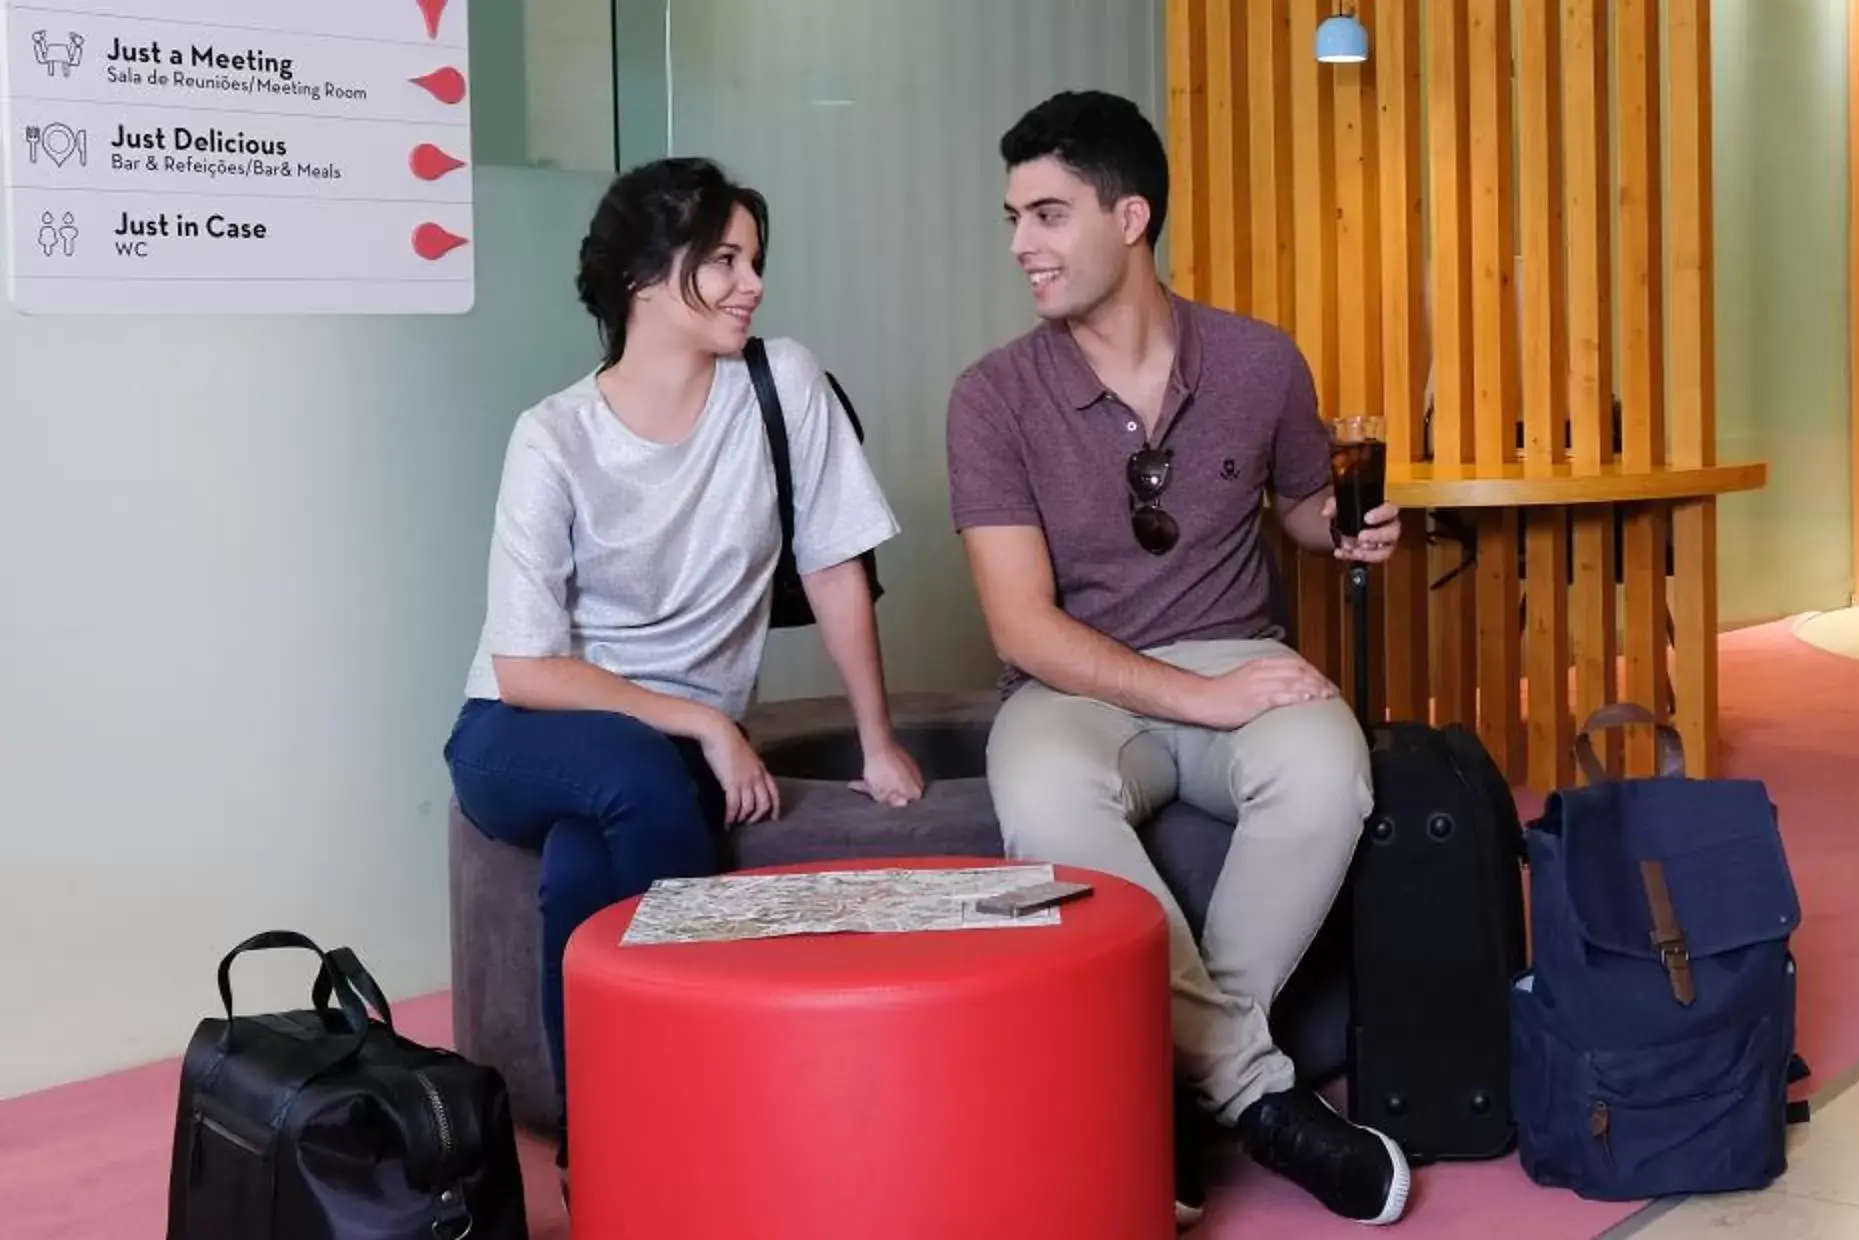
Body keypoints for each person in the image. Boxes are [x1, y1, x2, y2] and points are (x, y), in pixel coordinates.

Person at [947, 91, 1412, 1228]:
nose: (1022, 246)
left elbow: (1300, 500)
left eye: (1049, 215)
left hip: (1235, 656)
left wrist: (1343, 526)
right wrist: (1200, 693)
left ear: (1132, 216)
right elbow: (1022, 625)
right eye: (1013, 217)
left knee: (1326, 770)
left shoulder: (1258, 362)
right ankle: (1253, 1089)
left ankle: (1179, 1081)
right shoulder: (993, 397)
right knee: (1046, 794)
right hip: (1071, 682)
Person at [442, 157, 924, 1157]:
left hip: (653, 754)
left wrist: (878, 742)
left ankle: (604, 1148)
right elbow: (526, 668)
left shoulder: (780, 383)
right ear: (642, 280)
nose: (752, 282)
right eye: (723, 260)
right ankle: (713, 1096)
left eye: (755, 259)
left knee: (584, 869)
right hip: (518, 729)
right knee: (632, 771)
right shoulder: (555, 438)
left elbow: (837, 565)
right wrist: (708, 723)